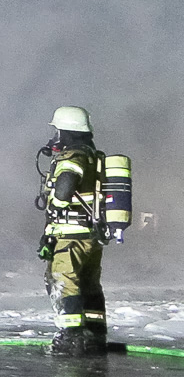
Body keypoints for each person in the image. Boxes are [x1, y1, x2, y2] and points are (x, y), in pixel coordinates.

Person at [38, 106, 132, 356]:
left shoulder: (73, 156)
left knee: (63, 279)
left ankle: (71, 337)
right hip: (91, 236)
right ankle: (94, 335)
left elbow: (66, 183)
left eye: (58, 131)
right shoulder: (93, 156)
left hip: (71, 236)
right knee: (89, 283)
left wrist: (57, 204)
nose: (55, 137)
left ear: (66, 131)